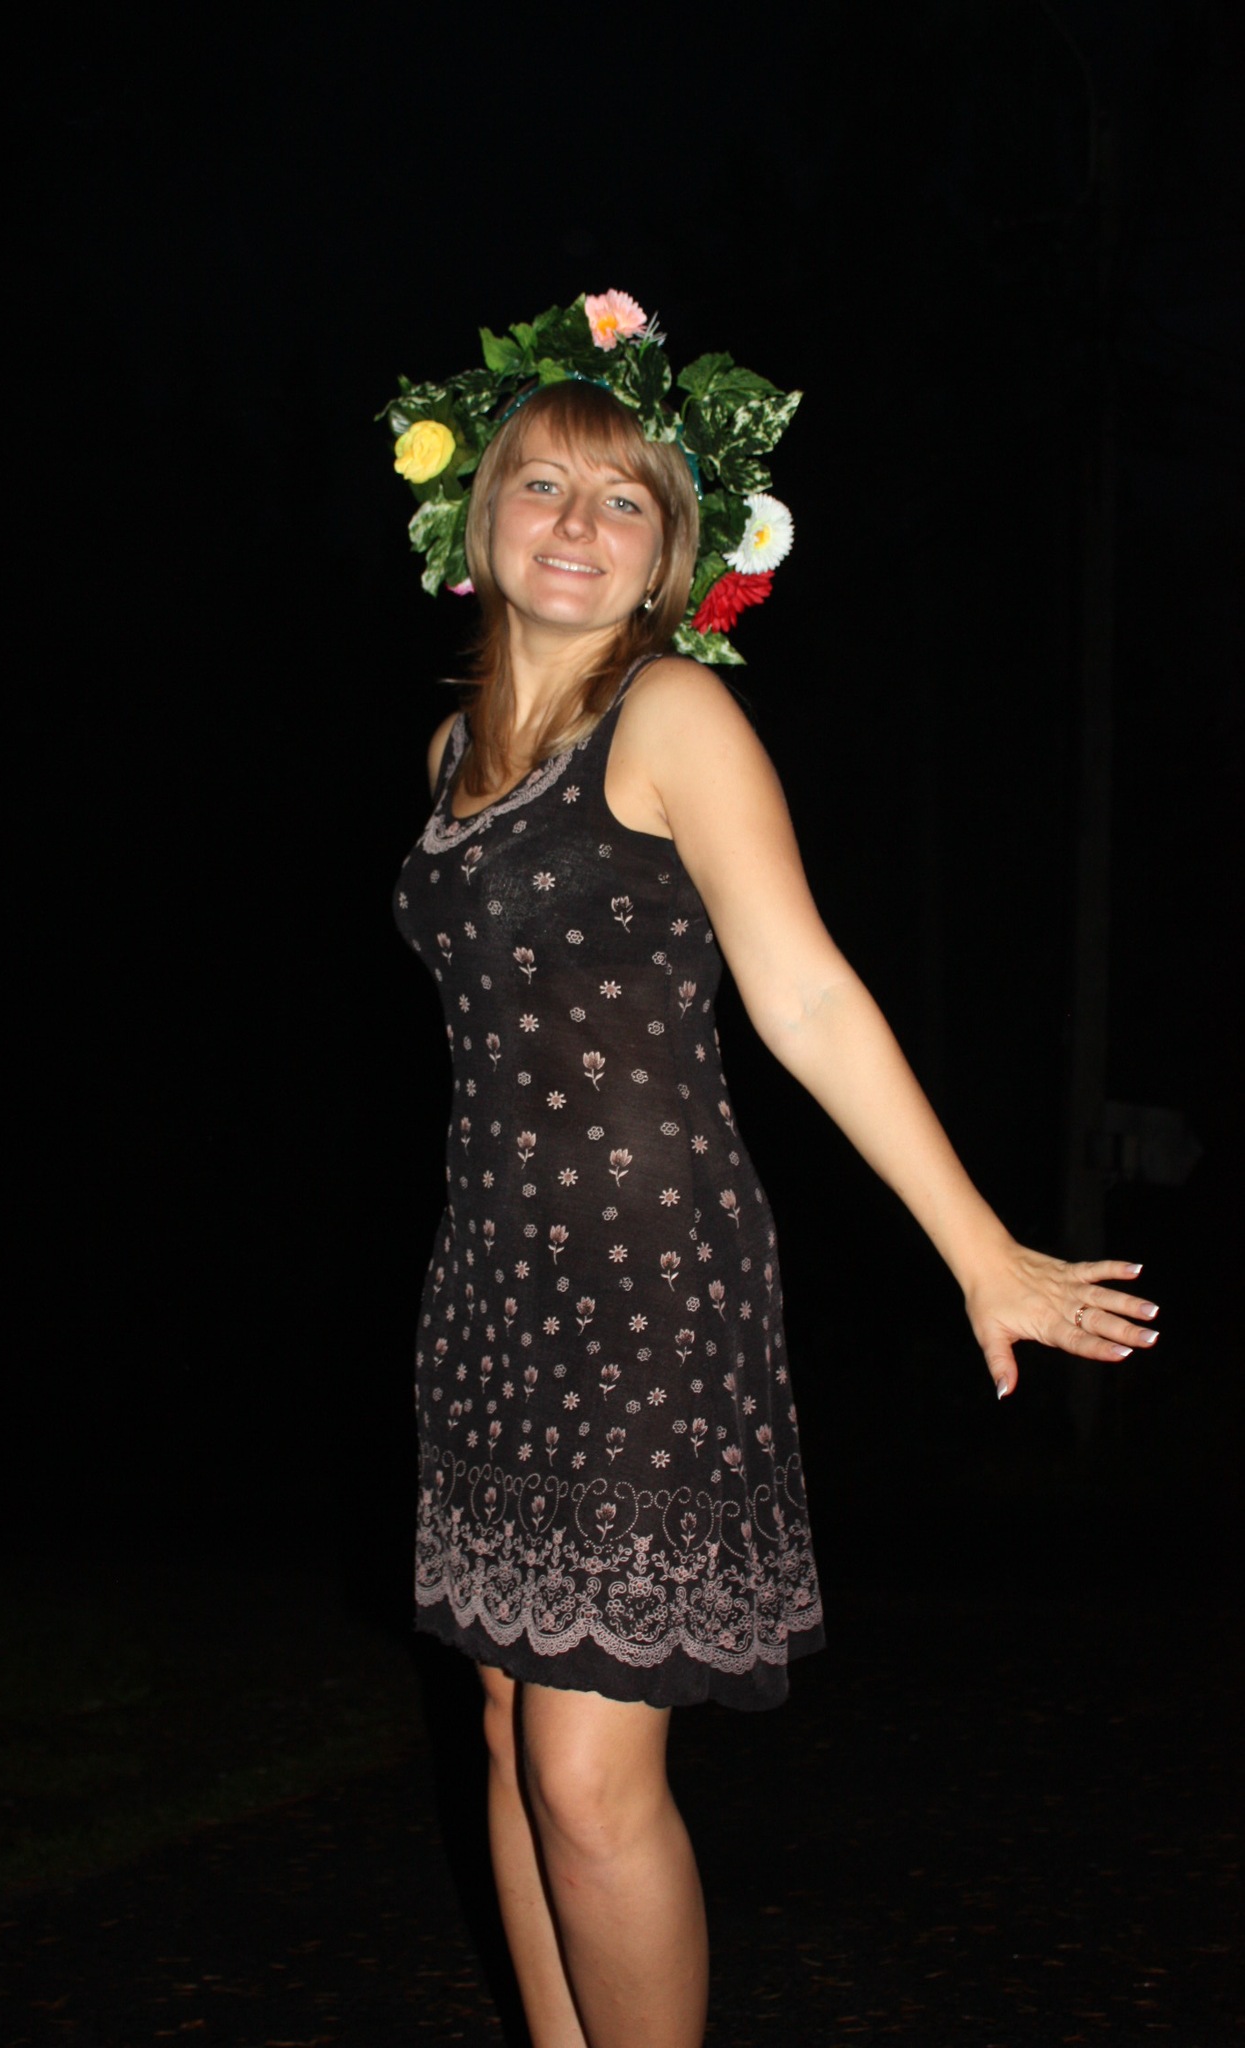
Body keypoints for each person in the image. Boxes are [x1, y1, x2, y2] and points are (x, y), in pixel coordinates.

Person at [387, 295, 1158, 2048]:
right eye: (541, 484)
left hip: (647, 1289)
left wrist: (979, 1249)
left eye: (623, 499)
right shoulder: (450, 757)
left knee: (588, 1774)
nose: (576, 522)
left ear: (671, 558)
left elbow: (802, 993)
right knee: (506, 1730)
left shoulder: (670, 715)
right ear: (477, 520)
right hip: (490, 1285)